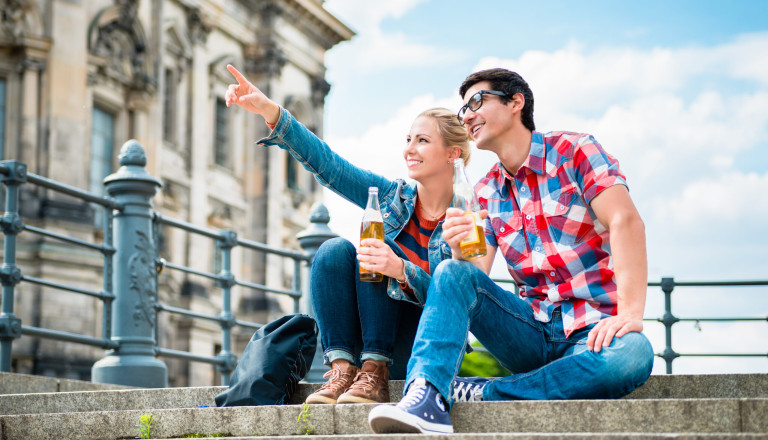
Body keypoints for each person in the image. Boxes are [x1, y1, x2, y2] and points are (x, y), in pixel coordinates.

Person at [368, 68, 655, 434]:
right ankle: (426, 395)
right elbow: (473, 277)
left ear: (516, 102)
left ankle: (487, 393)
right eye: (463, 110)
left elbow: (626, 222)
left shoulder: (576, 151)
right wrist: (458, 251)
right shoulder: (484, 190)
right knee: (452, 273)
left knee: (633, 353)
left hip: (593, 332)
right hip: (529, 332)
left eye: (477, 102)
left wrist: (629, 313)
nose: (468, 115)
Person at [224, 65, 472, 405]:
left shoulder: (466, 218)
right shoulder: (391, 197)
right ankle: (342, 371)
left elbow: (461, 306)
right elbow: (330, 166)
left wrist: (402, 271)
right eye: (409, 139)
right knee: (333, 251)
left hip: (420, 349)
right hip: (366, 339)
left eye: (423, 141)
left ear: (452, 154)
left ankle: (376, 371)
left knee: (379, 248)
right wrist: (272, 112)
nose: (409, 149)